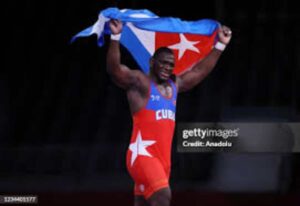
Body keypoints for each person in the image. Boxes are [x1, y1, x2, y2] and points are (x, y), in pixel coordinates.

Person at [106, 19, 232, 206]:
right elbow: (115, 71)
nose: (167, 68)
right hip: (142, 155)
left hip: (163, 161)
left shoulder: (174, 86)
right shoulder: (141, 83)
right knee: (163, 197)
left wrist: (220, 45)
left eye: (171, 65)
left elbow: (198, 72)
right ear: (151, 62)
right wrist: (115, 37)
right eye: (163, 63)